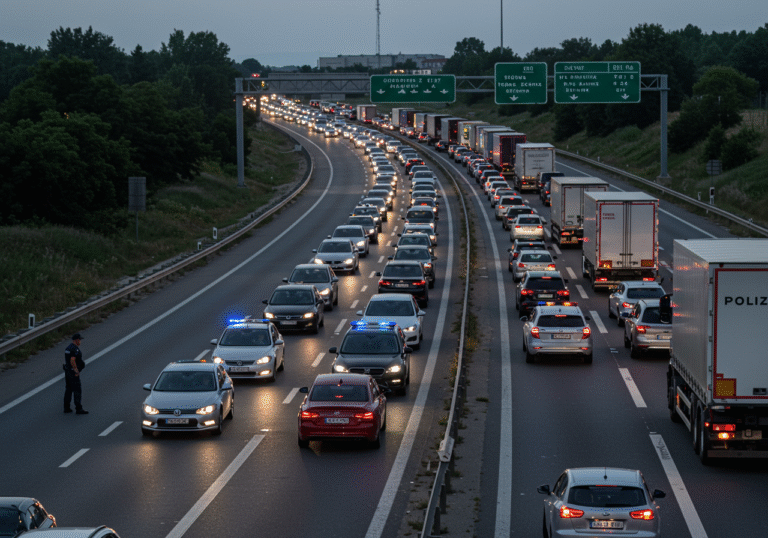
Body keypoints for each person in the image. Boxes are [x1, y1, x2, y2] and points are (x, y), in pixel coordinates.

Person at [63, 333, 88, 414]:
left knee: (68, 389)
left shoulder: (68, 348)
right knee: (77, 390)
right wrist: (76, 370)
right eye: (80, 340)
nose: (80, 341)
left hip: (67, 371)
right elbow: (72, 360)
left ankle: (66, 407)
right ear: (76, 340)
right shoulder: (74, 349)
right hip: (72, 372)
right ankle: (78, 408)